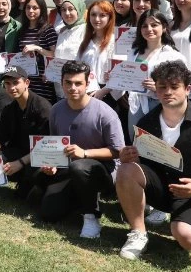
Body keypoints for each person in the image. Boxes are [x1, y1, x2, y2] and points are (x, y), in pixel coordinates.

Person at [116, 60, 191, 259]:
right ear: (156, 90)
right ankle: (138, 234)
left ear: (187, 89)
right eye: (162, 87)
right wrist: (128, 157)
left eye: (174, 86)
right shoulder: (146, 122)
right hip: (163, 187)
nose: (168, 92)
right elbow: (141, 166)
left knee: (187, 238)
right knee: (126, 169)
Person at [30, 60, 124, 239]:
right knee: (47, 212)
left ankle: (91, 216)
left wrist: (85, 153)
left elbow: (118, 151)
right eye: (68, 82)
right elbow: (56, 145)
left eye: (78, 83)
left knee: (80, 167)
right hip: (70, 168)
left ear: (87, 84)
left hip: (103, 170)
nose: (72, 88)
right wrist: (52, 165)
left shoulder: (105, 113)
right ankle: (78, 198)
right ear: (61, 82)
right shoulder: (56, 110)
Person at [0, 65, 51, 198]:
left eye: (16, 83)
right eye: (7, 84)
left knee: (26, 195)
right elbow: (0, 136)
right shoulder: (9, 108)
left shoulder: (42, 108)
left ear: (27, 83)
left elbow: (46, 147)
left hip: (40, 156)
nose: (11, 88)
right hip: (20, 151)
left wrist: (20, 163)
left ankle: (33, 186)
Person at [124, 10, 185, 134]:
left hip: (160, 105)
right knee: (135, 140)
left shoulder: (173, 56)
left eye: (154, 25)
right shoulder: (133, 53)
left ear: (164, 27)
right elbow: (126, 76)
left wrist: (159, 87)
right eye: (144, 26)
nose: (149, 29)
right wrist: (114, 77)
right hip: (136, 105)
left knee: (157, 142)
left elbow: (182, 86)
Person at [17, 0, 58, 103]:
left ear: (42, 9)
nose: (31, 11)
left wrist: (37, 48)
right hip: (26, 81)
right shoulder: (22, 31)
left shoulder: (48, 30)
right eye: (28, 7)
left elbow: (54, 55)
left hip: (43, 83)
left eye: (35, 8)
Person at [77, 0, 116, 99]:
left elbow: (122, 74)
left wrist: (103, 91)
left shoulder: (115, 42)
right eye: (93, 15)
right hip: (86, 92)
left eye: (102, 15)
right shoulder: (85, 42)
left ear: (110, 18)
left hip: (108, 94)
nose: (97, 19)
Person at [53, 0, 86, 99]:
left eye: (71, 9)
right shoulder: (62, 32)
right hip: (60, 89)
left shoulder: (86, 30)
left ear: (79, 10)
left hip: (77, 90)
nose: (67, 13)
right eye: (63, 10)